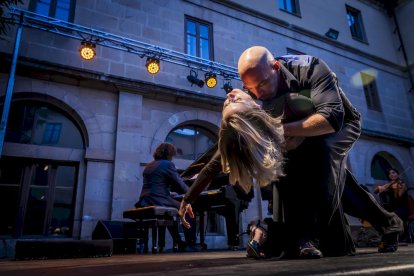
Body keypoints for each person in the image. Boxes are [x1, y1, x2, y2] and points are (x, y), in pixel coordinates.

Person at [179, 46, 403, 258]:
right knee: (334, 182)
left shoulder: (312, 68)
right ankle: (389, 223)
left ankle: (319, 238)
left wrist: (275, 129)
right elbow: (221, 155)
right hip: (297, 130)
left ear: (275, 67)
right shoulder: (255, 90)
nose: (258, 93)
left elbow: (332, 118)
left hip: (341, 125)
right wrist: (189, 197)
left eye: (263, 85)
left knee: (323, 159)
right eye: (251, 88)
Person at [136, 142, 195, 252]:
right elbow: (180, 184)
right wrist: (193, 192)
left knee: (168, 214)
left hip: (145, 200)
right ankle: (190, 243)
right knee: (186, 209)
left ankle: (178, 241)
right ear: (169, 153)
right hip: (158, 199)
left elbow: (157, 184)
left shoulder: (149, 165)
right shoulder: (168, 164)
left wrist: (169, 193)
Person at [374, 168, 412, 242]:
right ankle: (395, 238)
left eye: (393, 172)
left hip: (403, 208)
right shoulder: (390, 184)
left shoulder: (402, 184)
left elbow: (398, 196)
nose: (391, 174)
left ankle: (402, 238)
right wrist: (380, 187)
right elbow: (375, 191)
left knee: (397, 219)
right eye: (390, 173)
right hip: (394, 208)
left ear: (397, 174)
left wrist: (395, 188)